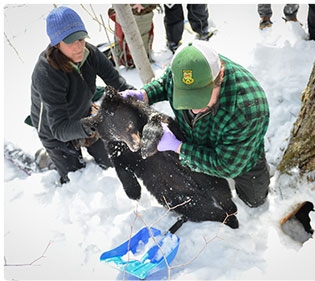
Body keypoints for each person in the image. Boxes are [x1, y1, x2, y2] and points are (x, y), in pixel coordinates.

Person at [120, 41, 270, 208]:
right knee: (200, 176)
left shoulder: (248, 108)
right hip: (195, 136)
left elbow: (227, 166)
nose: (195, 109)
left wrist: (178, 147)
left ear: (220, 75)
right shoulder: (181, 70)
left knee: (254, 200)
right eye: (187, 98)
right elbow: (165, 84)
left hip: (238, 157)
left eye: (202, 97)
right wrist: (144, 95)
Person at [30, 6, 134, 184]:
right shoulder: (46, 73)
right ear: (57, 44)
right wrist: (92, 124)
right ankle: (48, 159)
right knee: (77, 178)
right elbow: (59, 128)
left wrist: (139, 101)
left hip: (85, 115)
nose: (79, 46)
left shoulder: (89, 54)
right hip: (56, 131)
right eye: (71, 42)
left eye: (81, 38)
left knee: (111, 163)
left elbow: (118, 83)